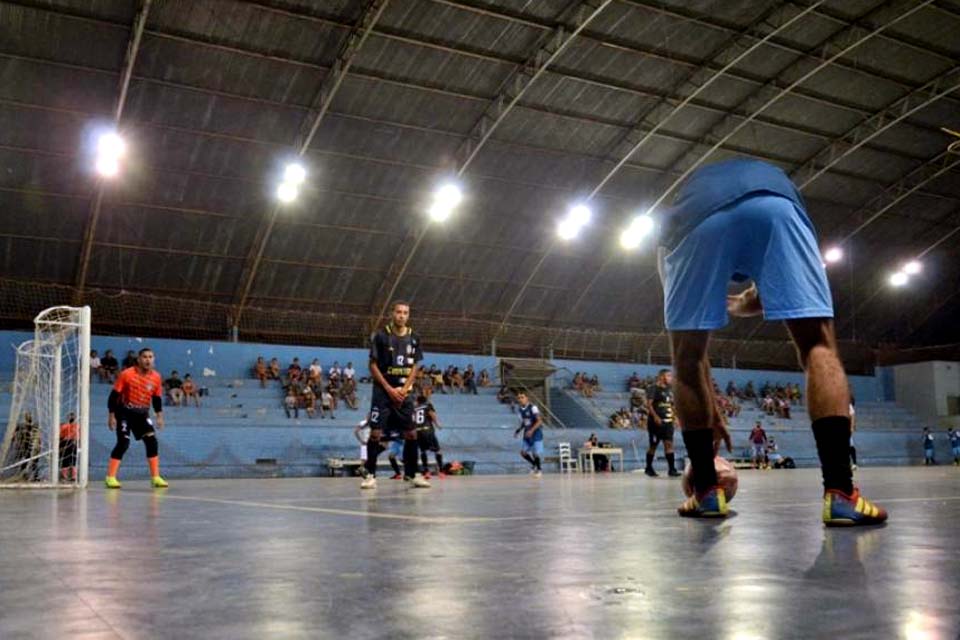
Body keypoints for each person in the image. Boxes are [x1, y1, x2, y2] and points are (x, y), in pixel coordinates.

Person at [659, 157, 886, 524]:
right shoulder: (771, 191)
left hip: (694, 219)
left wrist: (707, 403)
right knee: (818, 344)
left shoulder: (673, 226)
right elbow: (779, 293)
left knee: (684, 357)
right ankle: (841, 494)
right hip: (775, 201)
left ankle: (705, 493)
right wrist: (753, 301)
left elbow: (692, 358)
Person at [360, 300, 428, 490]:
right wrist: (389, 389)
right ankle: (370, 475)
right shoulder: (381, 336)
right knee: (375, 433)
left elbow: (415, 366)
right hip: (383, 392)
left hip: (404, 393)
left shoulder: (414, 337)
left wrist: (405, 388)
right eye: (399, 312)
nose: (402, 315)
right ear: (392, 313)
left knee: (411, 433)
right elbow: (372, 365)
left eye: (405, 312)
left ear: (408, 315)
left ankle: (412, 474)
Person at [105, 348, 167, 489]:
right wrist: (111, 415)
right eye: (144, 357)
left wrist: (159, 416)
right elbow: (113, 396)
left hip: (142, 413)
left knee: (152, 441)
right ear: (138, 359)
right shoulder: (127, 374)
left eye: (150, 357)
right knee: (123, 443)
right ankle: (110, 477)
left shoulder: (156, 377)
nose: (147, 360)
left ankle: (155, 477)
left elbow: (156, 399)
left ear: (154, 359)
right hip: (124, 412)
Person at [645, 369, 680, 477]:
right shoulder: (653, 389)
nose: (670, 378)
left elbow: (672, 405)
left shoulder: (670, 390)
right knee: (653, 445)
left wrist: (676, 417)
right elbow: (649, 405)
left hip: (668, 421)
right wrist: (655, 417)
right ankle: (649, 468)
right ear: (661, 377)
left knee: (669, 444)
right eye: (668, 375)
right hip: (655, 422)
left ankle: (672, 469)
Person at [414, 394, 444, 479]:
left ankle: (426, 472)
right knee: (438, 451)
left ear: (418, 401)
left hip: (418, 431)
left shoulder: (415, 408)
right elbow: (432, 414)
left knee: (423, 451)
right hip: (427, 431)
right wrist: (437, 424)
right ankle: (441, 471)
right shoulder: (427, 406)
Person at [513, 391, 543, 476]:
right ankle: (534, 464)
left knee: (535, 452)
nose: (520, 399)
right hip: (527, 433)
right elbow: (524, 422)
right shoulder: (519, 410)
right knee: (523, 453)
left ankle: (539, 470)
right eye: (519, 398)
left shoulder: (533, 408)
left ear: (527, 398)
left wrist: (532, 430)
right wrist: (518, 431)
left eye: (522, 397)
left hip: (536, 433)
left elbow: (539, 421)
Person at [59, 411, 79, 482]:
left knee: (70, 460)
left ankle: (70, 476)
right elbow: (60, 436)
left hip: (70, 444)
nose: (72, 418)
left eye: (72, 416)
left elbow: (60, 436)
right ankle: (68, 476)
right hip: (68, 444)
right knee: (68, 460)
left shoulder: (76, 426)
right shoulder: (65, 426)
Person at [849, 398, 858, 470]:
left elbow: (852, 416)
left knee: (850, 445)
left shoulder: (848, 406)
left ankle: (854, 463)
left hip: (846, 428)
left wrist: (852, 427)